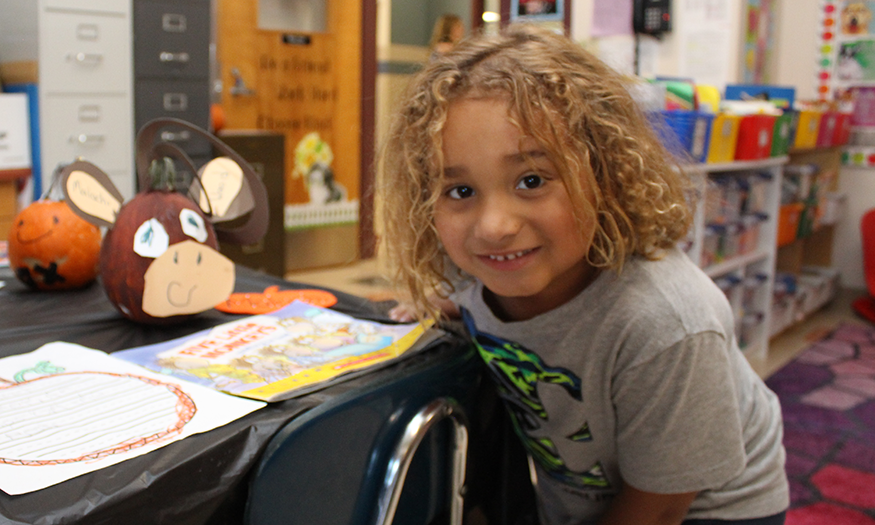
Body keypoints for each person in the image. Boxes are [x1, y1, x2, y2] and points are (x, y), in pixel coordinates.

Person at [377, 23, 789, 525]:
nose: (494, 227)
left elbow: (660, 508)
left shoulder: (665, 325)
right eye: (460, 192)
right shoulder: (478, 270)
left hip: (711, 511)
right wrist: (460, 308)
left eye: (531, 180)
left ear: (606, 175)